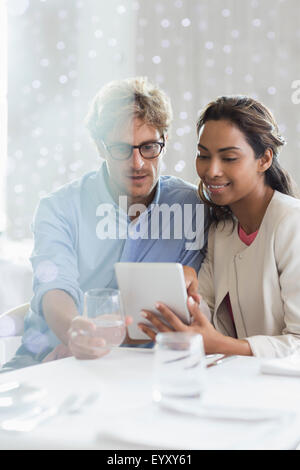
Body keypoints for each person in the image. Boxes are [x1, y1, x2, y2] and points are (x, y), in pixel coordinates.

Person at [0, 77, 208, 372]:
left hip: (142, 368)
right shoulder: (59, 208)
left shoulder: (193, 206)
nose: (137, 163)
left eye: (149, 147)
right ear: (100, 147)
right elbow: (56, 288)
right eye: (121, 149)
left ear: (164, 142)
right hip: (47, 359)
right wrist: (74, 331)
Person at [139, 95, 300, 358]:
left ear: (264, 159)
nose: (211, 170)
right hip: (237, 385)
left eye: (229, 158)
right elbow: (206, 317)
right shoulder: (221, 231)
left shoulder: (292, 224)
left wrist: (221, 345)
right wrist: (185, 300)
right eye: (203, 155)